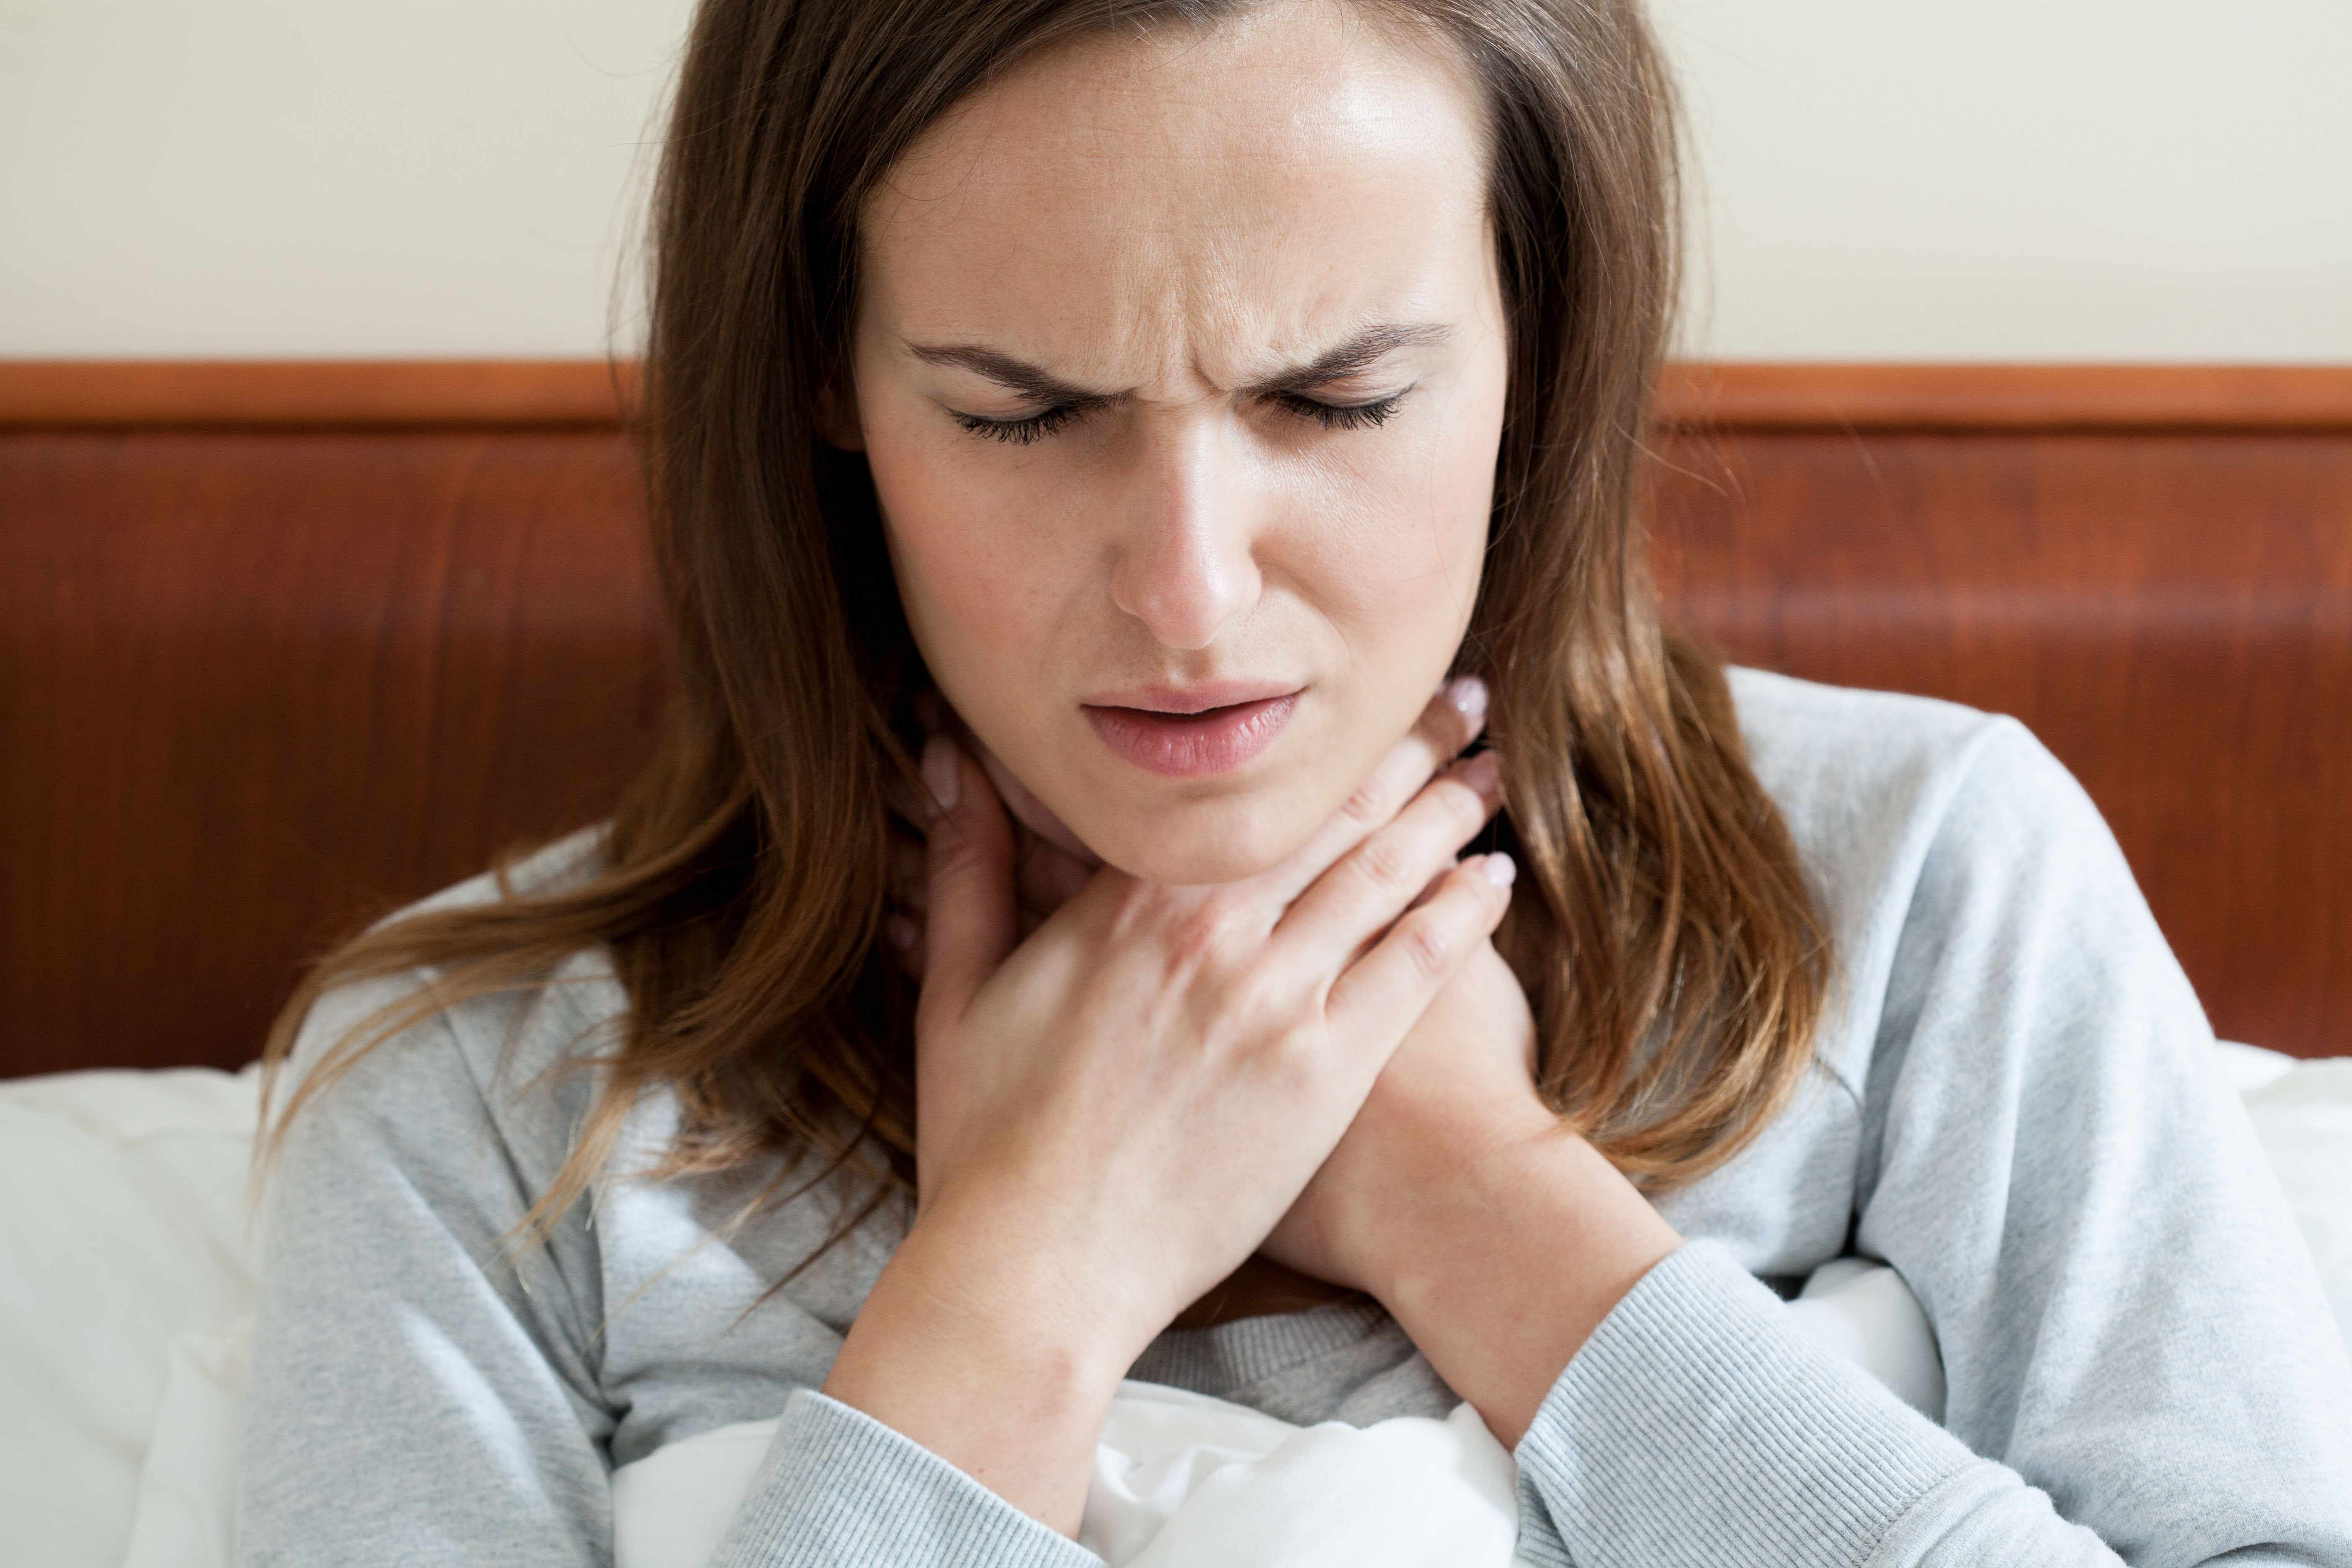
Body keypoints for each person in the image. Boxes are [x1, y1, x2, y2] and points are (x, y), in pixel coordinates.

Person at [235, 0, 2352, 1562]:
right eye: (1023, 411)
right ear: (825, 376)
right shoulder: (473, 1094)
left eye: (1335, 398)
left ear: (1539, 345)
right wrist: (1019, 1289)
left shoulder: (1924, 888)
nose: (1187, 590)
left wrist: (1491, 1215)